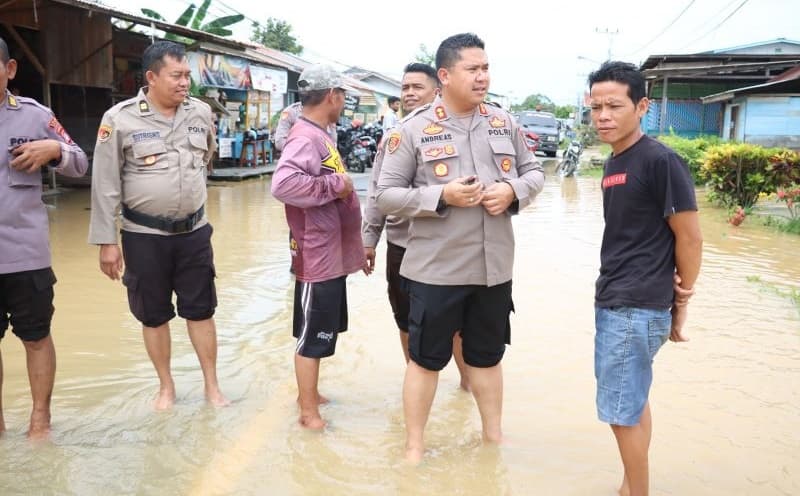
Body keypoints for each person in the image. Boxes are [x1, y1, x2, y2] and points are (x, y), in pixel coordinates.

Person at [376, 33, 545, 463]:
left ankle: (493, 437)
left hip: (493, 267)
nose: (483, 76)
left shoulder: (503, 122)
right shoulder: (411, 131)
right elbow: (386, 195)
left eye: (486, 67)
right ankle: (415, 445)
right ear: (446, 76)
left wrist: (511, 191)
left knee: (487, 358)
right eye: (473, 69)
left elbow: (535, 173)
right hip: (436, 270)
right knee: (426, 360)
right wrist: (440, 197)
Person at [88, 41, 228, 411]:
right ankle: (166, 387)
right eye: (176, 76)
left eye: (188, 75)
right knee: (153, 314)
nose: (185, 83)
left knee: (202, 310)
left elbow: (206, 158)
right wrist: (107, 241)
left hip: (195, 231)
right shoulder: (119, 118)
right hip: (143, 235)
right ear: (151, 77)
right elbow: (105, 183)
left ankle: (212, 387)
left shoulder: (199, 113)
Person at [588, 61, 703, 496]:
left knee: (620, 411)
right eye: (596, 107)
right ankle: (630, 485)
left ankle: (637, 492)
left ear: (642, 107)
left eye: (614, 106)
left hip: (634, 306)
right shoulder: (614, 162)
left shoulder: (661, 161)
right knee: (631, 401)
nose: (603, 116)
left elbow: (689, 238)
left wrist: (682, 301)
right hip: (622, 299)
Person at [0, 36, 88, 439]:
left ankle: (40, 420)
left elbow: (80, 163)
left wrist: (55, 149)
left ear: (10, 69)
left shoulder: (35, 116)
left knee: (36, 337)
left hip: (25, 256)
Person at [362, 62, 470, 390]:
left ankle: (468, 384)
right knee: (406, 319)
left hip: (446, 245)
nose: (409, 94)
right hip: (402, 244)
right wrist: (369, 239)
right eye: (405, 88)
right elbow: (376, 192)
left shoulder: (461, 130)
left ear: (437, 90)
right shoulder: (394, 135)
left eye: (416, 87)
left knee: (457, 323)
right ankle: (417, 382)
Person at [271, 64, 366, 430]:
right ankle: (308, 413)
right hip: (316, 252)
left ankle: (309, 395)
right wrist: (335, 188)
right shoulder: (305, 138)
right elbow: (283, 185)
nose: (343, 103)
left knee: (319, 329)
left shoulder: (320, 133)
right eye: (343, 96)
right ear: (333, 96)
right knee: (312, 336)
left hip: (330, 253)